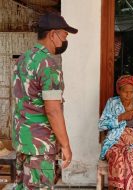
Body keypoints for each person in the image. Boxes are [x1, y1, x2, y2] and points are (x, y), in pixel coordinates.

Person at [12, 12, 78, 189]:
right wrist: (66, 146)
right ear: (52, 34)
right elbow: (53, 110)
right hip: (39, 147)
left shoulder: (23, 60)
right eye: (64, 35)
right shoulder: (48, 65)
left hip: (22, 141)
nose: (65, 40)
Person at [99, 75, 133, 190]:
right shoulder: (112, 103)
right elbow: (101, 125)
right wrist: (120, 117)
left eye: (131, 92)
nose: (128, 95)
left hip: (132, 145)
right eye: (125, 92)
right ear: (118, 91)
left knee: (130, 156)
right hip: (113, 144)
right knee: (119, 157)